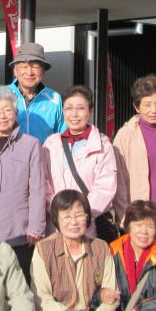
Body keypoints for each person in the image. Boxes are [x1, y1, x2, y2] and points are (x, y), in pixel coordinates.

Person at [31, 190, 118, 311]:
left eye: (79, 215)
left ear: (88, 217)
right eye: (66, 216)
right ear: (56, 220)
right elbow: (40, 296)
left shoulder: (100, 247)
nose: (74, 222)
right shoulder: (44, 248)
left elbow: (111, 293)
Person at [0, 85, 46, 281]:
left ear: (15, 113)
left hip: (19, 231)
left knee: (19, 285)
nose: (1, 116)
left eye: (7, 110)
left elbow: (38, 189)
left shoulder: (31, 144)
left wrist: (35, 227)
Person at [112, 75, 156, 244]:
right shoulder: (125, 134)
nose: (154, 110)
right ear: (137, 107)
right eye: (147, 104)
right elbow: (118, 179)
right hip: (135, 214)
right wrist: (124, 215)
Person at [43, 85, 118, 240]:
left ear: (90, 111)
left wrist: (80, 215)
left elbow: (105, 187)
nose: (74, 114)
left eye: (80, 108)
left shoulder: (103, 145)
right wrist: (59, 211)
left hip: (88, 226)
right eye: (69, 108)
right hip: (56, 225)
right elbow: (43, 182)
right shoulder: (51, 143)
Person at [0, 42, 65, 143]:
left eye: (35, 66)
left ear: (43, 71)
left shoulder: (54, 98)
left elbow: (63, 136)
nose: (29, 72)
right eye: (24, 67)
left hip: (43, 153)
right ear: (15, 71)